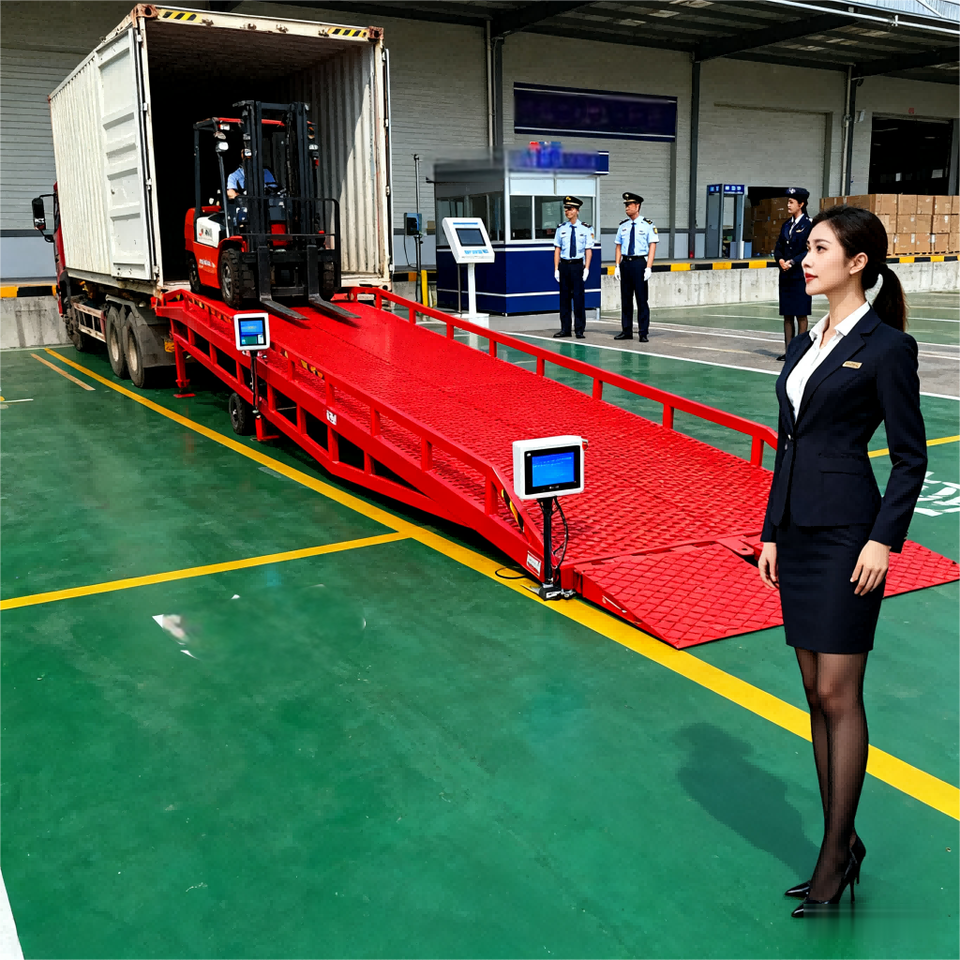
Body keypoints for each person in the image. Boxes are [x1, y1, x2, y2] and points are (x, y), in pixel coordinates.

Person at [757, 205, 927, 918]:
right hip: (796, 534)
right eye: (808, 248)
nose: (806, 259)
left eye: (820, 248)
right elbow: (787, 443)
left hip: (850, 536)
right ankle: (842, 840)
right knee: (812, 691)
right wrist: (770, 532)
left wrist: (883, 540)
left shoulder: (887, 347)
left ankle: (834, 854)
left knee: (838, 693)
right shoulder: (805, 342)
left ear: (857, 262)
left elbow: (910, 458)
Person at [774, 187, 813, 361]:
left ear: (801, 204)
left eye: (791, 202)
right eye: (788, 202)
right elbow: (779, 247)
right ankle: (789, 351)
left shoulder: (809, 225)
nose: (788, 205)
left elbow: (809, 249)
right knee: (787, 314)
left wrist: (793, 261)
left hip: (801, 274)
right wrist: (781, 260)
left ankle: (800, 351)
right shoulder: (786, 225)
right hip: (786, 275)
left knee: (801, 314)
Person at [614, 192, 657, 342]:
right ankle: (626, 330)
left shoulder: (647, 225)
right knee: (626, 299)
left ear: (637, 206)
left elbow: (652, 246)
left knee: (641, 299)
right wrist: (617, 265)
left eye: (629, 204)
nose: (626, 207)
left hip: (639, 263)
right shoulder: (623, 226)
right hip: (625, 263)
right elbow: (618, 246)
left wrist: (648, 267)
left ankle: (643, 332)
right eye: (625, 205)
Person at [553, 196, 593, 339]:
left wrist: (586, 268)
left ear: (577, 211)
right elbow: (557, 249)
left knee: (578, 298)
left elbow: (588, 250)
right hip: (564, 265)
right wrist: (556, 269)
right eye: (566, 209)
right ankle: (565, 329)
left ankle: (579, 329)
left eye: (570, 209)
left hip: (577, 266)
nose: (567, 211)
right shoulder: (561, 228)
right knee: (564, 299)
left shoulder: (586, 229)